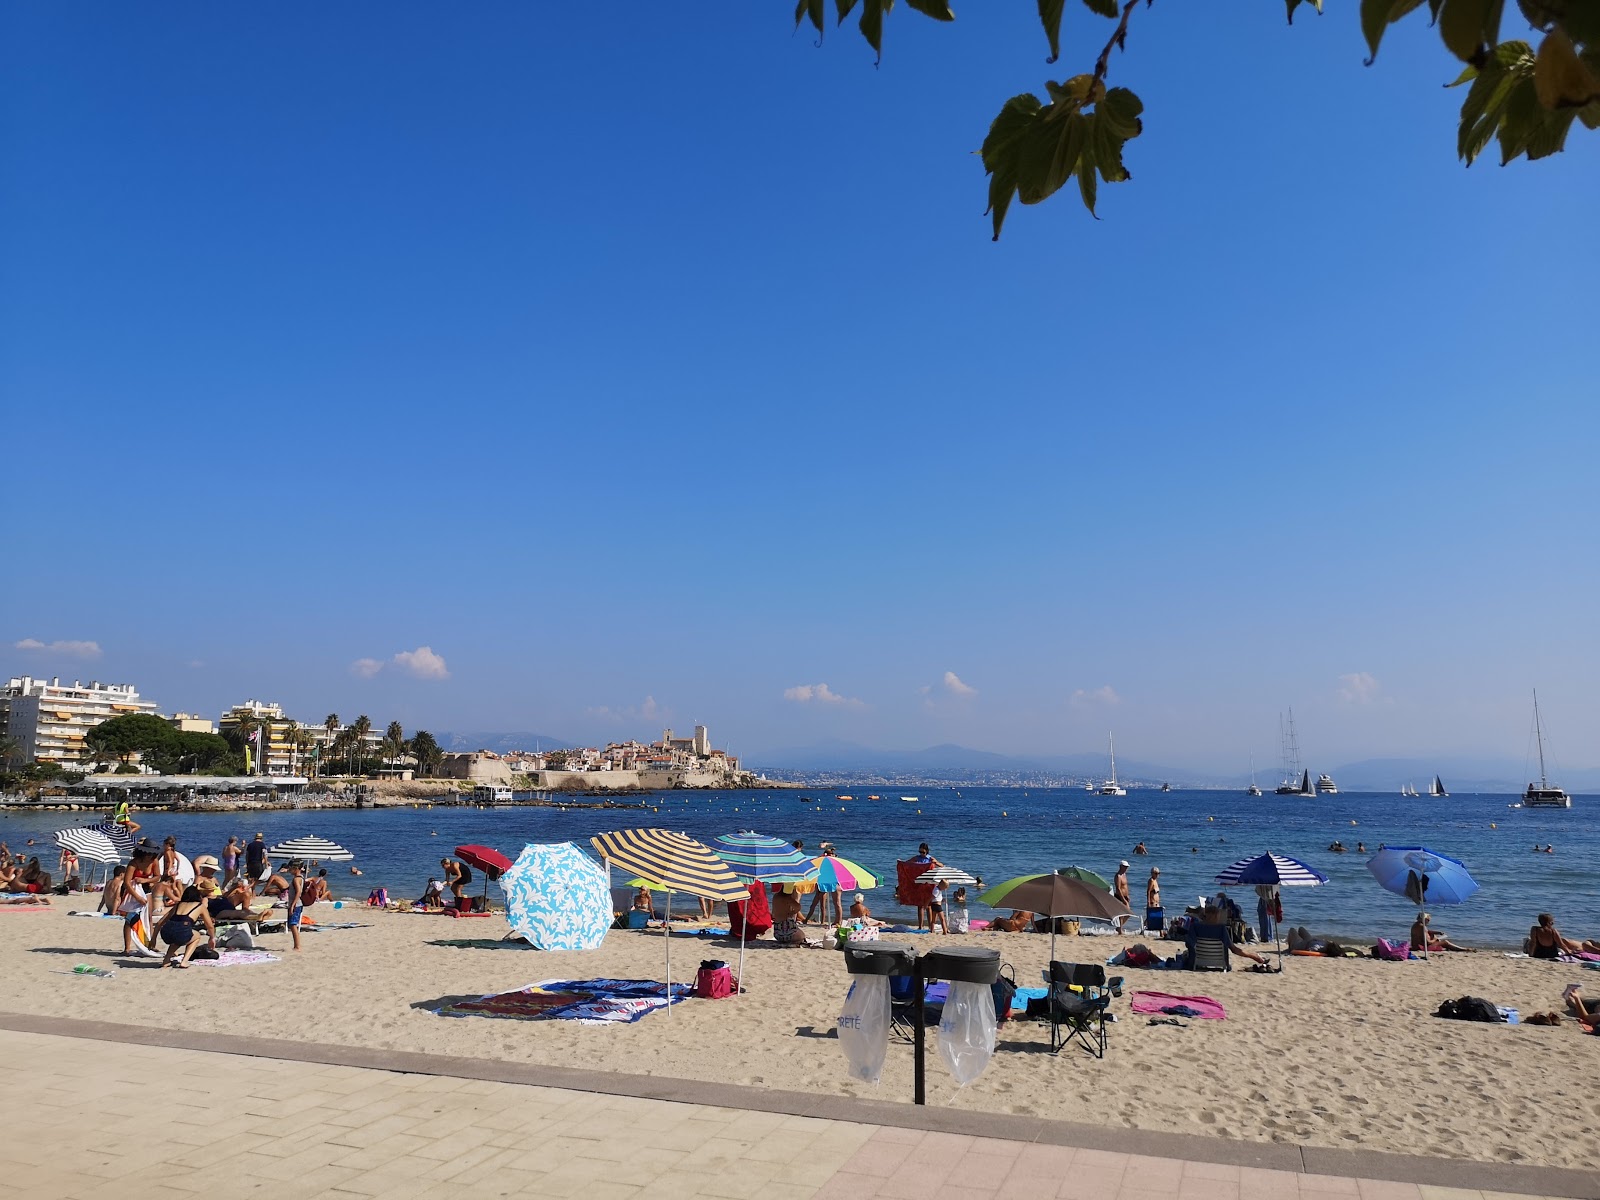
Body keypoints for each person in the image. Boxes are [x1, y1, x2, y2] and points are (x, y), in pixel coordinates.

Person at [155, 885, 216, 968]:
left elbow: (159, 923)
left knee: (179, 937)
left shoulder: (178, 905)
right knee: (196, 936)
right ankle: (184, 961)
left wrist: (153, 939)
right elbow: (210, 926)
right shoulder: (200, 906)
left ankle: (166, 960)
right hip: (181, 932)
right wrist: (212, 938)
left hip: (166, 933)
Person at [1526, 913, 1598, 959]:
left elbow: (1533, 943)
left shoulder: (1534, 929)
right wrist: (1568, 952)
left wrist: (1531, 955)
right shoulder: (1553, 931)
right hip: (1552, 955)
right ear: (1550, 922)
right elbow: (1561, 944)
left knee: (1528, 941)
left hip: (1538, 954)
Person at [284, 861, 306, 952]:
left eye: (290, 868)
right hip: (297, 904)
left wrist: (292, 905)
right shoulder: (300, 878)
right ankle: (296, 945)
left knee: (293, 925)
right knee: (292, 925)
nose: (289, 870)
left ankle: (297, 946)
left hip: (296, 904)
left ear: (296, 869)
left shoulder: (296, 879)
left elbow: (298, 892)